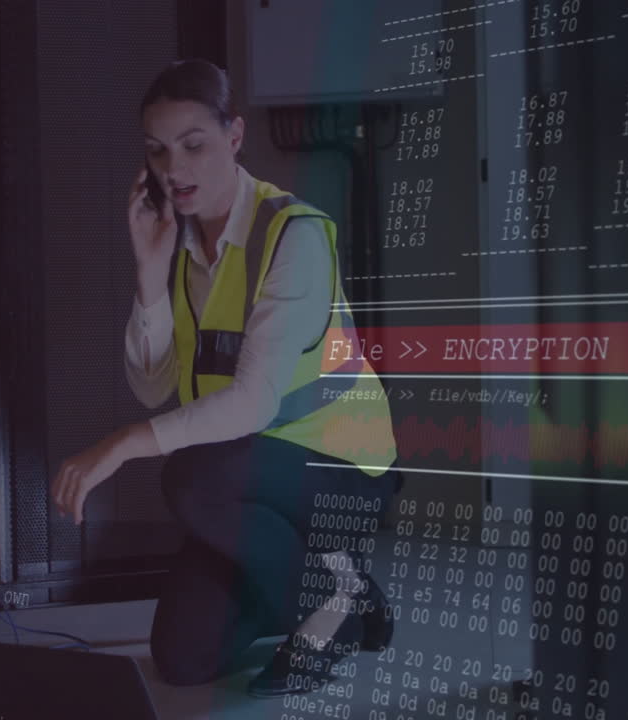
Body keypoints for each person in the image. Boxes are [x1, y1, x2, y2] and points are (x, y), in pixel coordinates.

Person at [49, 58, 400, 697]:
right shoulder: (180, 247)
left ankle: (334, 617)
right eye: (157, 151)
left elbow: (252, 405)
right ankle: (343, 592)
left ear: (234, 137)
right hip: (247, 479)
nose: (173, 170)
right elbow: (154, 387)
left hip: (340, 468)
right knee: (182, 660)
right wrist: (150, 275)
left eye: (194, 145)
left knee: (190, 473)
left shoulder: (294, 235)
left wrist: (121, 444)